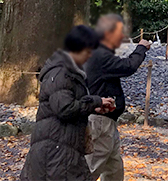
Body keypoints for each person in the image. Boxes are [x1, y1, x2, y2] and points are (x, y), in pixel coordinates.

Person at [20, 25, 115, 181]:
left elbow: (69, 103)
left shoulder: (69, 72)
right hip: (56, 150)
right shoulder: (60, 72)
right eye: (88, 51)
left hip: (64, 146)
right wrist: (95, 101)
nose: (90, 56)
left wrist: (94, 107)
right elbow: (65, 109)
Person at [84, 14, 151, 181]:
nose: (122, 37)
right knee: (91, 168)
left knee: (114, 169)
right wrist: (141, 48)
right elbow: (128, 67)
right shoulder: (99, 55)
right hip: (100, 121)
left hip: (107, 121)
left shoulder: (96, 53)